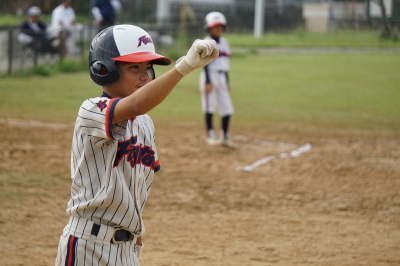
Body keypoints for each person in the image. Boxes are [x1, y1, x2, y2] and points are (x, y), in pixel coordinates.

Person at [55, 24, 218, 266]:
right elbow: (135, 105)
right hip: (88, 248)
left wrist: (137, 242)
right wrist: (183, 68)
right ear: (104, 70)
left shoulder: (145, 123)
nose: (145, 75)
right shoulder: (91, 111)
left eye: (148, 68)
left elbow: (137, 186)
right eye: (134, 67)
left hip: (127, 250)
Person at [200, 11, 236, 148]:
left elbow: (225, 63)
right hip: (210, 75)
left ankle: (225, 135)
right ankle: (210, 134)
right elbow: (205, 63)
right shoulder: (206, 42)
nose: (218, 28)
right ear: (209, 27)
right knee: (210, 106)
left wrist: (227, 81)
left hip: (222, 76)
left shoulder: (225, 42)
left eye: (220, 26)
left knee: (227, 107)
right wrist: (208, 81)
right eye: (215, 26)